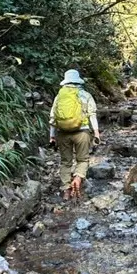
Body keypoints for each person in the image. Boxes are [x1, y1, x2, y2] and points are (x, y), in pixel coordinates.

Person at [49, 69, 100, 200]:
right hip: (82, 133)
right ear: (78, 81)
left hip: (63, 133)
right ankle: (77, 178)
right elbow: (92, 115)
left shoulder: (59, 97)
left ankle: (66, 190)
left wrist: (52, 136)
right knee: (82, 159)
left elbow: (53, 119)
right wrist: (96, 133)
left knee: (65, 162)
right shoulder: (85, 95)